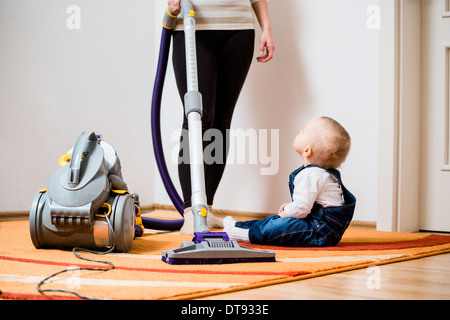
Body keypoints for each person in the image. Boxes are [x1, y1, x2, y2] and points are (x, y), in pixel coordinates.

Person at [167, 0, 275, 233]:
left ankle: (207, 208)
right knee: (197, 117)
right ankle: (191, 212)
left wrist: (266, 27)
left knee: (221, 122)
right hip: (193, 24)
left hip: (239, 29)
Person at [223, 116, 357, 247]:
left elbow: (301, 209)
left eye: (304, 131)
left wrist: (286, 212)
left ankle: (243, 235)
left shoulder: (310, 175)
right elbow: (308, 204)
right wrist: (290, 207)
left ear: (307, 150)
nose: (300, 131)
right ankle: (238, 226)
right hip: (320, 226)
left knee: (279, 225)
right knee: (275, 221)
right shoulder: (320, 174)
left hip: (320, 231)